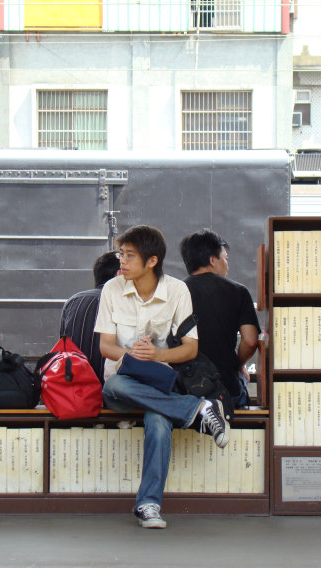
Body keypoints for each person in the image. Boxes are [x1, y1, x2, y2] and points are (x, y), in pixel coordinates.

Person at [95, 225, 230, 529]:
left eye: (130, 256)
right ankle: (195, 410)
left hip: (160, 383)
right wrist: (132, 356)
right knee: (115, 382)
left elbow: (190, 349)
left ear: (152, 261)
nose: (122, 262)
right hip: (122, 385)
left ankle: (149, 504)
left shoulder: (177, 291)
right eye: (121, 254)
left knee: (158, 418)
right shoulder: (112, 290)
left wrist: (156, 356)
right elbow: (105, 346)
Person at [179, 228, 260, 407]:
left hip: (187, 392)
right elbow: (250, 340)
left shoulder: (175, 293)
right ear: (212, 260)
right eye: (226, 259)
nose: (227, 265)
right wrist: (237, 364)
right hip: (227, 391)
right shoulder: (238, 291)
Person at [59, 251, 120, 383]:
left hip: (72, 386)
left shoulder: (73, 300)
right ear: (119, 275)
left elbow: (62, 344)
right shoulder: (120, 302)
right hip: (107, 387)